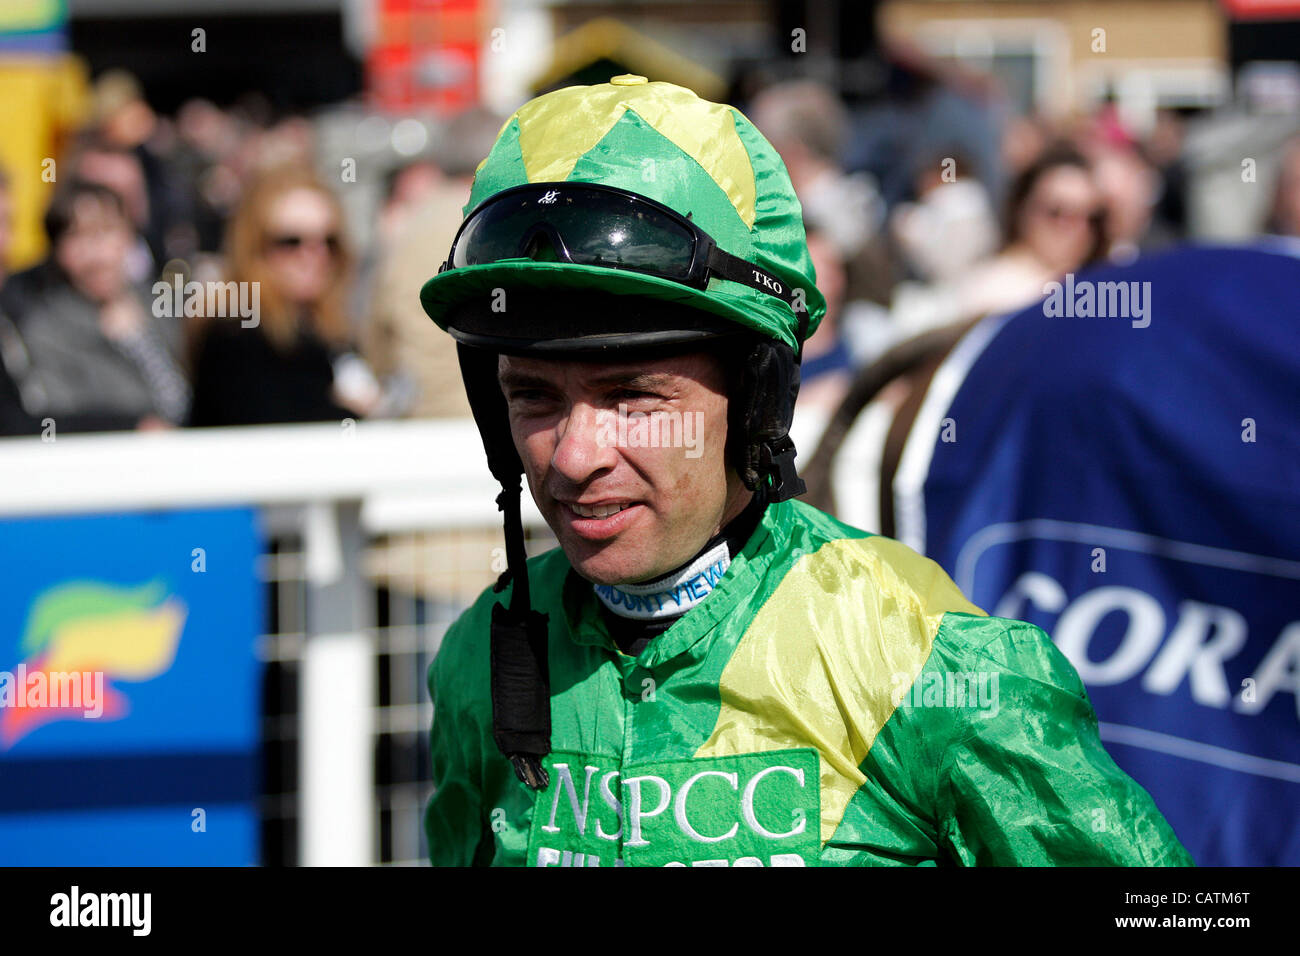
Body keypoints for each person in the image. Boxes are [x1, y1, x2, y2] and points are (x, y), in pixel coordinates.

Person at [420, 76, 1193, 867]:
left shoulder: (929, 662)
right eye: (534, 397)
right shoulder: (480, 657)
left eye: (634, 398)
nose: (575, 458)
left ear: (755, 401)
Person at [188, 164, 377, 427]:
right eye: (291, 241)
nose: (314, 256)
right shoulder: (236, 332)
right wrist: (354, 411)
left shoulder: (322, 327)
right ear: (255, 246)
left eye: (328, 241)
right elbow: (279, 428)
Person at [2, 180, 188, 434]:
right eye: (77, 236)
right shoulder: (45, 330)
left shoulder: (163, 307)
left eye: (106, 232)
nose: (97, 255)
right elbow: (66, 416)